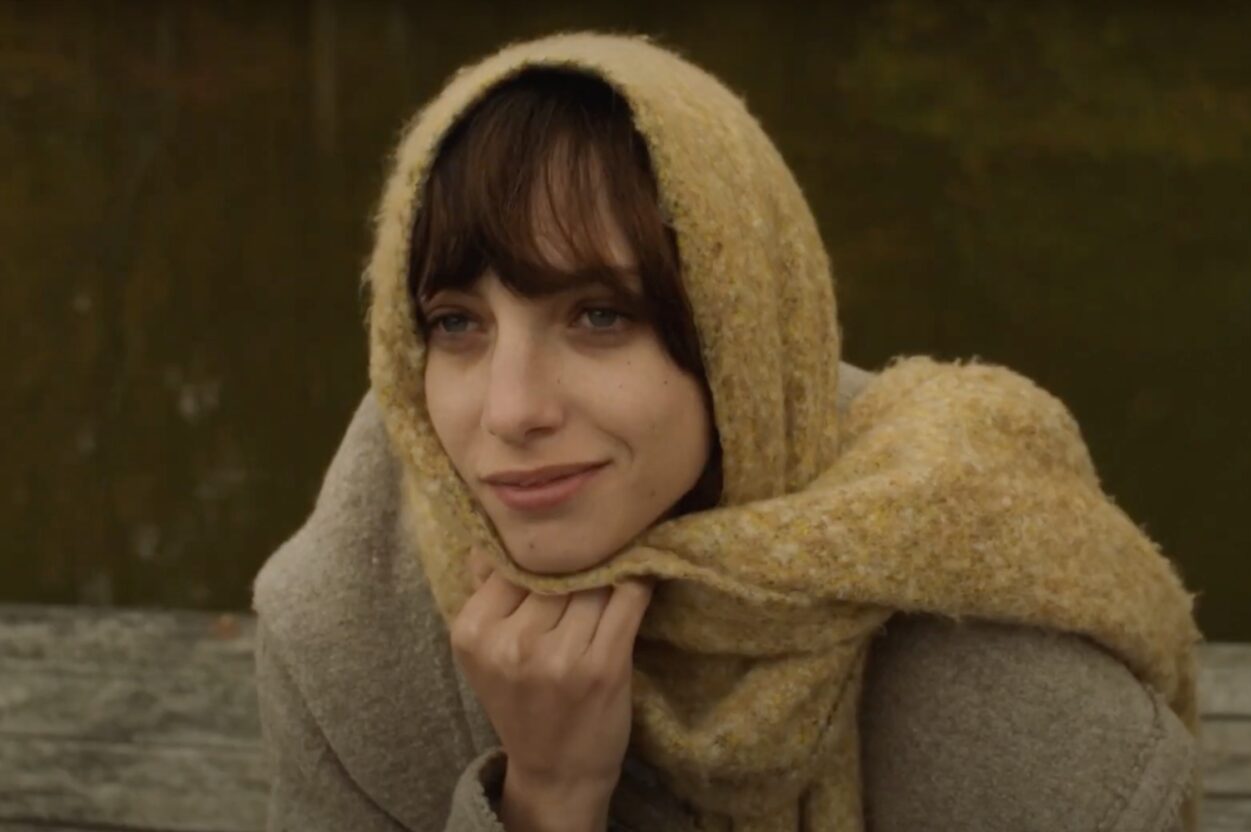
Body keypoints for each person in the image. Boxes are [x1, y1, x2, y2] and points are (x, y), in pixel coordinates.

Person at [252, 31, 1202, 832]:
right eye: (458, 323)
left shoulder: (1025, 708)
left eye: (597, 315)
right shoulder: (349, 628)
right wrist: (547, 799)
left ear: (737, 344)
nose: (507, 411)